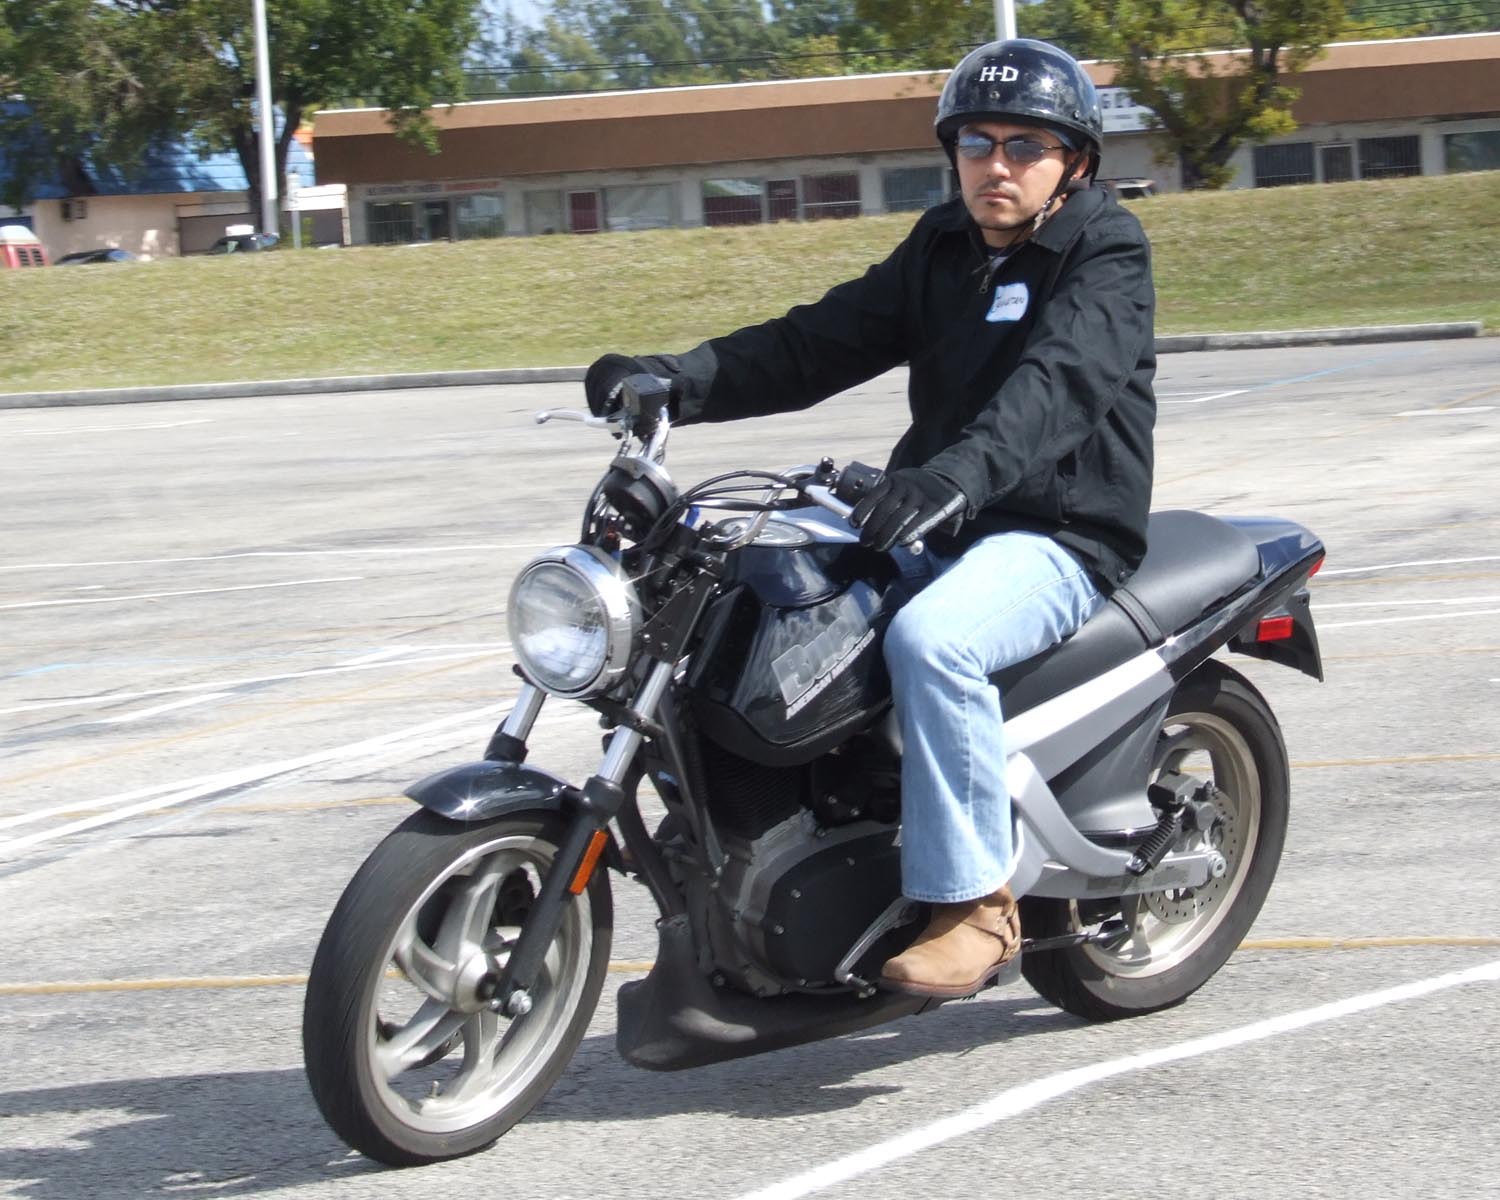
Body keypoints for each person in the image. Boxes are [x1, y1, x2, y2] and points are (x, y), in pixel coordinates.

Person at [584, 38, 1156, 999]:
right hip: (941, 515)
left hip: (1057, 533)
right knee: (743, 598)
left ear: (1076, 163)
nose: (997, 164)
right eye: (977, 142)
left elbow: (1056, 388)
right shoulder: (943, 246)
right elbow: (817, 342)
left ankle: (974, 904)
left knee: (935, 642)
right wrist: (678, 382)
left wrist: (952, 478)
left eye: (1026, 145)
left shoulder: (1106, 250)